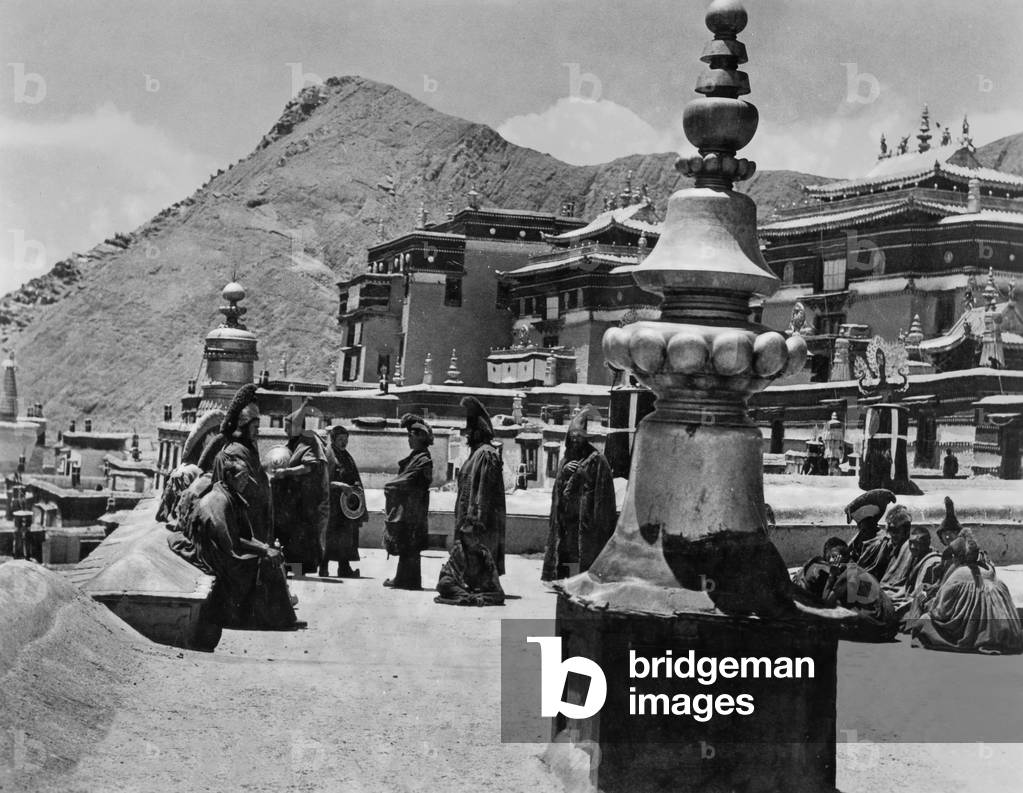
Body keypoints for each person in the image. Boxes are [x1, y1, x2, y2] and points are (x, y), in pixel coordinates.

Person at [174, 459, 302, 630]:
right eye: (242, 477)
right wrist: (264, 550)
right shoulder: (218, 500)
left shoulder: (229, 494)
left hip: (226, 549)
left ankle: (280, 615)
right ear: (229, 476)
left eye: (247, 477)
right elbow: (230, 541)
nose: (245, 482)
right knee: (265, 563)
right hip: (218, 557)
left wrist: (266, 547)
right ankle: (276, 619)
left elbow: (242, 535)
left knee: (272, 555)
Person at [910, 530, 1023, 654]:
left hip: (976, 632)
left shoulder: (958, 574)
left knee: (924, 622)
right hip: (1006, 631)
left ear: (957, 557)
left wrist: (928, 605)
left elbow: (941, 612)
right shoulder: (989, 569)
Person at [541, 405, 617, 582]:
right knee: (566, 551)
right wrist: (564, 473)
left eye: (579, 437)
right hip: (567, 518)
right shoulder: (566, 459)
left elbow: (603, 495)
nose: (575, 441)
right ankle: (562, 579)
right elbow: (557, 490)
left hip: (586, 519)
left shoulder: (597, 459)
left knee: (584, 552)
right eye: (572, 437)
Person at [794, 537, 898, 642]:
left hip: (880, 629)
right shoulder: (857, 569)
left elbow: (827, 603)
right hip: (890, 629)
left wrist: (831, 575)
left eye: (833, 557)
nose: (830, 562)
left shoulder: (848, 573)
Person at [270, 401, 329, 575]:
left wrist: (286, 472)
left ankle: (298, 571)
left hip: (304, 503)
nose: (285, 431)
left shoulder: (308, 442)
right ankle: (289, 569)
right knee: (288, 537)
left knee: (299, 540)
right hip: (289, 502)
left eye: (288, 427)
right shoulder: (291, 444)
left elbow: (308, 467)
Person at [210, 384, 274, 545]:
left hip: (257, 515)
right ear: (244, 426)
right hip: (245, 517)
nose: (257, 431)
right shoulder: (233, 452)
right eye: (255, 427)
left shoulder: (250, 448)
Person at [455, 396, 507, 575]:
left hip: (480, 522)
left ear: (479, 432)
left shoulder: (486, 454)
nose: (467, 434)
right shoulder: (475, 454)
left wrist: (475, 519)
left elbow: (484, 493)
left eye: (470, 430)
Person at [382, 414, 434, 590]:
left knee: (411, 543)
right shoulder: (416, 456)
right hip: (410, 507)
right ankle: (404, 579)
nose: (408, 440)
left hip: (414, 508)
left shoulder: (423, 459)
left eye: (411, 436)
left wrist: (389, 485)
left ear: (420, 436)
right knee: (407, 542)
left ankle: (408, 580)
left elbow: (409, 479)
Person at [323, 424, 366, 578]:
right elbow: (323, 481)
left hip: (346, 505)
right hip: (331, 504)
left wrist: (356, 488)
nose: (344, 442)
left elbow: (353, 477)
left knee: (347, 536)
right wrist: (340, 485)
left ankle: (344, 567)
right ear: (333, 439)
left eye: (346, 439)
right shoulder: (327, 455)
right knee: (329, 535)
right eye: (340, 439)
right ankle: (324, 566)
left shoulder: (347, 457)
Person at [881, 527, 944, 624]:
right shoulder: (915, 556)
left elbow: (921, 594)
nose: (913, 547)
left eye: (917, 543)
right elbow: (907, 586)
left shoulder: (932, 563)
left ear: (926, 543)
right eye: (911, 543)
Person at [434, 521, 505, 607]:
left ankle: (471, 598)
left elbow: (494, 580)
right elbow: (452, 573)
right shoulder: (458, 550)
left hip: (478, 588)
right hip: (460, 586)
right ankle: (471, 598)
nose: (472, 539)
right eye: (468, 536)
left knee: (499, 595)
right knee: (444, 584)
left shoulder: (484, 554)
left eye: (475, 535)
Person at [857, 503, 911, 582]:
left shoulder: (911, 550)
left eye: (895, 530)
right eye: (889, 529)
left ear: (906, 531)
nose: (891, 534)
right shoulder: (881, 545)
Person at [844, 489, 896, 561]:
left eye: (862, 525)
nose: (860, 527)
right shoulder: (859, 538)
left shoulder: (881, 540)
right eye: (860, 525)